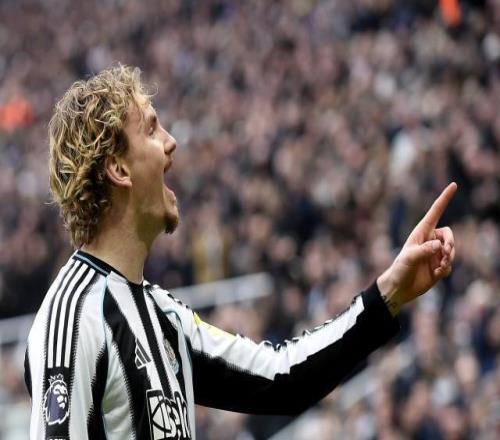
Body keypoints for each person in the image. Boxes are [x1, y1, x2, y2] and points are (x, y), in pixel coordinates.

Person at [24, 65, 456, 440]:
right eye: (152, 129)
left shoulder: (163, 316)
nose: (171, 142)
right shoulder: (73, 319)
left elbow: (283, 378)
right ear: (118, 169)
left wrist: (389, 293)